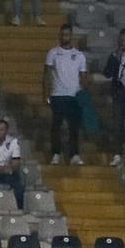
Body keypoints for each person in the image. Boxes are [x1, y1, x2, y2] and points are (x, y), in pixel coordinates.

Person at [44, 25, 86, 165]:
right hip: (58, 95)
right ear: (59, 36)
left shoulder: (79, 55)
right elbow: (46, 75)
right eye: (62, 35)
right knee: (56, 126)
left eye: (67, 35)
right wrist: (46, 94)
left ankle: (74, 154)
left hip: (74, 96)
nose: (64, 37)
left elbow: (83, 77)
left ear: (71, 36)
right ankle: (56, 153)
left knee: (74, 126)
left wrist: (83, 95)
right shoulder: (53, 53)